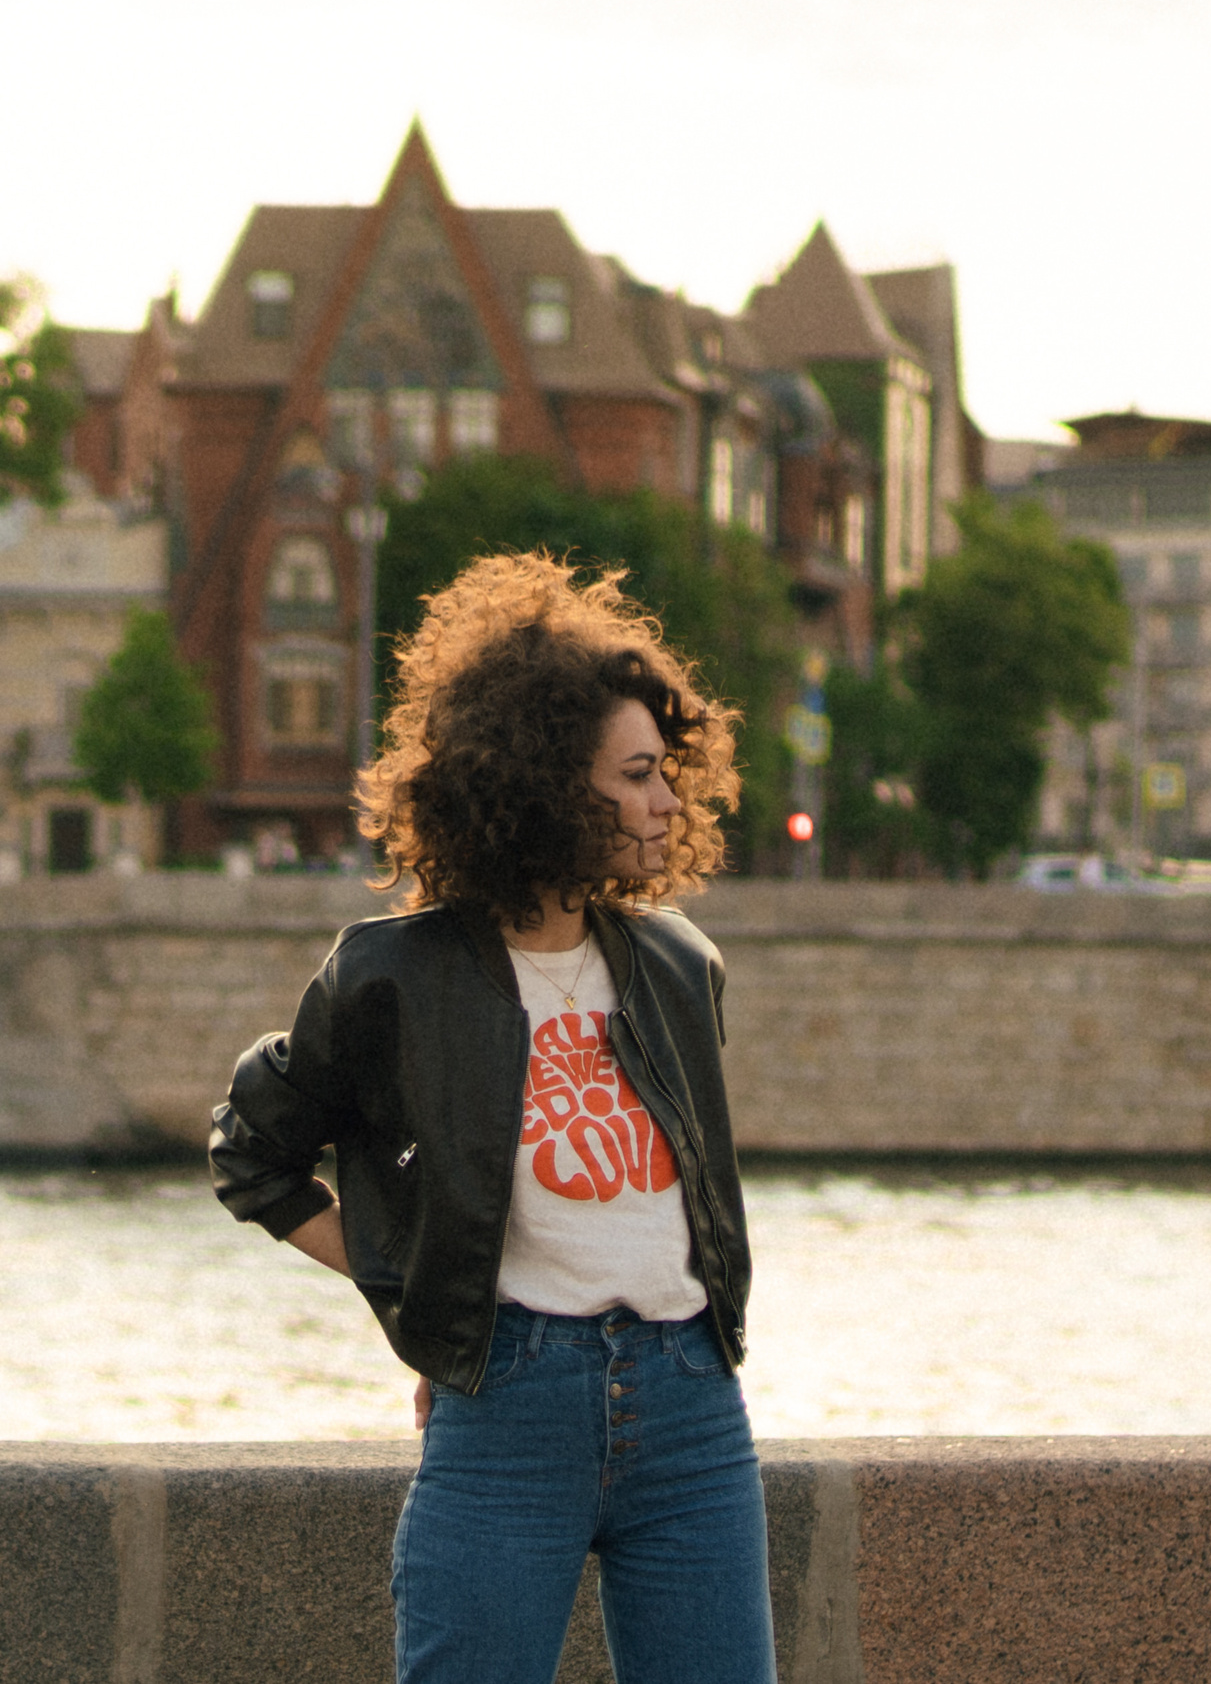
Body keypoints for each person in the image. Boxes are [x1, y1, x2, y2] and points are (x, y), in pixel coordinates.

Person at [209, 554, 774, 1684]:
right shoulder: (393, 977)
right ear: (549, 785)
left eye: (668, 773)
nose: (667, 799)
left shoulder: (676, 964)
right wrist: (427, 1295)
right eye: (637, 775)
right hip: (509, 1410)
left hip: (693, 1412)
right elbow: (255, 1156)